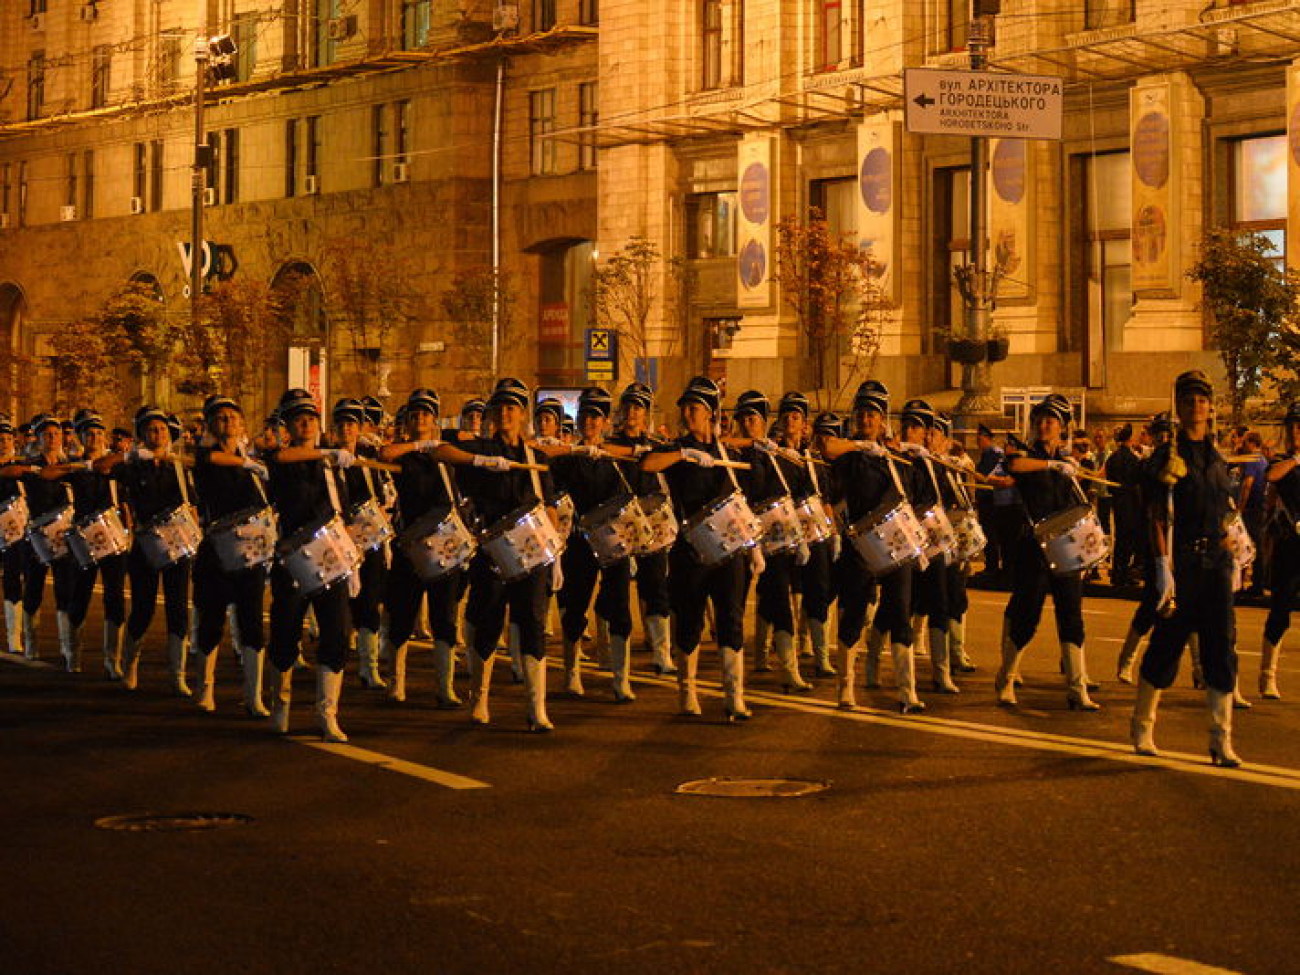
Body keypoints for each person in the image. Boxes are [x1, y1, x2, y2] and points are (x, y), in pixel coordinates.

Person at [427, 378, 561, 731]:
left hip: (532, 556)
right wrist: (480, 460)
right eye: (500, 407)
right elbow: (439, 450)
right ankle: (480, 698)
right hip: (493, 555)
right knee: (487, 624)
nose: (506, 413)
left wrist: (555, 547)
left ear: (522, 415)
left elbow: (549, 508)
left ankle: (536, 708)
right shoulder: (482, 450)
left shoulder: (536, 458)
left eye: (512, 407)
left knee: (532, 625)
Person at [1130, 370, 1244, 767]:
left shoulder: (1217, 458)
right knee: (1167, 645)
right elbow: (1157, 517)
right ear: (1178, 407)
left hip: (1217, 565)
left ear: (1210, 407)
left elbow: (1226, 509)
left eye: (1201, 400)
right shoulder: (1166, 457)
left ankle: (1220, 739)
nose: (1196, 406)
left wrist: (1232, 540)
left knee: (1220, 649)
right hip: (1182, 566)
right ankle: (1143, 726)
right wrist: (1163, 567)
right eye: (1188, 400)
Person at [640, 376, 755, 720]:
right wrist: (683, 453)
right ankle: (687, 692)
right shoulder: (675, 450)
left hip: (730, 551)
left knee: (731, 621)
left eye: (695, 408)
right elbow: (646, 464)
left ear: (711, 413)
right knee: (689, 622)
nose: (688, 414)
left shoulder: (728, 452)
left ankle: (734, 696)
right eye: (686, 409)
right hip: (690, 551)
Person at [818, 381, 926, 714]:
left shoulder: (896, 458)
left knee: (900, 612)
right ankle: (845, 687)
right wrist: (861, 446)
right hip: (860, 546)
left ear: (883, 420)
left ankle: (907, 692)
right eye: (861, 413)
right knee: (854, 614)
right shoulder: (850, 454)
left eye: (873, 414)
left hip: (896, 545)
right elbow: (827, 448)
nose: (866, 418)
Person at [995, 393, 1100, 711]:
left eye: (1050, 421)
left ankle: (1077, 687)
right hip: (1034, 547)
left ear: (1063, 427)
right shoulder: (1027, 456)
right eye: (1039, 420)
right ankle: (1007, 677)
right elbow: (1014, 465)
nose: (1043, 425)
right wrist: (1054, 464)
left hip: (1066, 546)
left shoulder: (1070, 464)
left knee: (1071, 616)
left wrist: (1072, 467)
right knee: (1027, 615)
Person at [263, 388, 357, 742]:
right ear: (287, 425)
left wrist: (351, 553)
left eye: (312, 417)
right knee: (286, 632)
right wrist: (328, 452)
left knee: (336, 632)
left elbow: (342, 512)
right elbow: (280, 458)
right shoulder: (281, 457)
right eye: (298, 418)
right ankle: (281, 706)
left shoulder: (332, 465)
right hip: (293, 557)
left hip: (331, 556)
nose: (306, 423)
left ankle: (327, 712)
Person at [548, 386, 640, 702]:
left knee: (620, 608)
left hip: (615, 544)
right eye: (586, 415)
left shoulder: (617, 457)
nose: (590, 422)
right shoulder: (567, 458)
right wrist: (574, 451)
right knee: (575, 606)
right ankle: (571, 673)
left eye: (596, 417)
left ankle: (620, 677)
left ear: (604, 422)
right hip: (579, 541)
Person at [378, 388, 467, 708]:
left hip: (445, 542)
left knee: (445, 617)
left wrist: (438, 445)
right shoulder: (405, 452)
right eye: (414, 415)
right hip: (411, 544)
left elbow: (471, 445)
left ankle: (445, 687)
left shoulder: (446, 451)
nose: (420, 419)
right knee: (402, 614)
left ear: (434, 420)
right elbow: (384, 455)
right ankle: (396, 682)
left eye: (426, 415)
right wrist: (420, 444)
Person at [188, 395, 273, 714]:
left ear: (242, 424)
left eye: (232, 417)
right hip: (217, 550)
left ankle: (253, 695)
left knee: (252, 622)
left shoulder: (255, 462)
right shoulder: (207, 456)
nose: (227, 422)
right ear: (210, 425)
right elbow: (210, 461)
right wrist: (247, 462)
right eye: (220, 418)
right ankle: (205, 689)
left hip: (250, 552)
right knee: (211, 621)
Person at [109, 406, 198, 695]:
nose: (157, 433)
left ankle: (178, 674)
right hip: (146, 545)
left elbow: (193, 506)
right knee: (143, 609)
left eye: (161, 429)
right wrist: (131, 455)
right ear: (142, 435)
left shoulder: (179, 466)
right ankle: (130, 665)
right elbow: (102, 465)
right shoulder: (134, 465)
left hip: (178, 544)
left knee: (177, 609)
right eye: (151, 429)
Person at [730, 390, 812, 694]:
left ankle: (788, 668)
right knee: (733, 603)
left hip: (776, 541)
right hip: (739, 536)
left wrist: (802, 535)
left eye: (754, 419)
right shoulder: (732, 453)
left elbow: (798, 496)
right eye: (744, 419)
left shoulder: (780, 458)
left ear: (764, 422)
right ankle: (735, 671)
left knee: (778, 597)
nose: (748, 424)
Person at [606, 382, 675, 676]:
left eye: (638, 407)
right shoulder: (613, 444)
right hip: (620, 528)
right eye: (628, 407)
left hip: (652, 526)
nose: (632, 412)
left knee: (657, 589)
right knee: (618, 596)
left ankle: (662, 654)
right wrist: (636, 450)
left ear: (647, 414)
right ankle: (620, 670)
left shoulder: (657, 446)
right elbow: (604, 450)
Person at [61, 412, 130, 680]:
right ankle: (72, 652)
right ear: (80, 437)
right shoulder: (75, 465)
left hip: (113, 535)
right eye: (89, 433)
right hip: (84, 535)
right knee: (80, 594)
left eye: (99, 433)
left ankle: (113, 658)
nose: (95, 437)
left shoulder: (113, 464)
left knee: (115, 596)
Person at [331, 397, 391, 692]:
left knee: (370, 602)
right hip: (338, 540)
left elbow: (378, 498)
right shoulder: (326, 458)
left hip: (370, 540)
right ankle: (336, 666)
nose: (347, 429)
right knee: (340, 606)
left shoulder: (368, 458)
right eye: (341, 424)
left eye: (352, 424)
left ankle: (370, 668)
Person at [1116, 412, 1174, 683]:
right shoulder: (1148, 466)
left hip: (1182, 542)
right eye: (1160, 434)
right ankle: (1127, 660)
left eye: (1168, 434)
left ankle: (1199, 668)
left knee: (1191, 608)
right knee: (1151, 603)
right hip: (1156, 543)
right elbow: (1153, 512)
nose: (1165, 439)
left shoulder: (1186, 461)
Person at [1259, 402, 1300, 700]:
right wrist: (1297, 458)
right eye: (1293, 426)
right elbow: (1271, 476)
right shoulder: (1286, 462)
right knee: (1281, 610)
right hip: (1290, 543)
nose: (1296, 431)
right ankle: (1267, 675)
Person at [0, 416, 27, 656]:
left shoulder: (21, 467)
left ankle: (14, 636)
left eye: (8, 439)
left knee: (13, 580)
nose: (5, 443)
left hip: (13, 534)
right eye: (1, 439)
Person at [1105, 424, 1145, 587]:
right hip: (1131, 503)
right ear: (1130, 438)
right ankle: (1123, 574)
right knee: (1128, 539)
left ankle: (1117, 573)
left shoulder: (1112, 459)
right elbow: (1138, 482)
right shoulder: (1133, 459)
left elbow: (1109, 485)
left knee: (1120, 538)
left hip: (1118, 502)